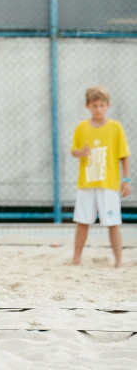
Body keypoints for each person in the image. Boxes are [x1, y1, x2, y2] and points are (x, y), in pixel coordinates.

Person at [71, 85, 131, 268]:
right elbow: (74, 151)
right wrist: (81, 153)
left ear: (107, 105)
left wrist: (126, 180)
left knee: (113, 223)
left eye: (101, 105)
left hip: (108, 184)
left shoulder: (115, 127)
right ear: (87, 106)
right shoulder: (82, 127)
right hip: (86, 184)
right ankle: (76, 259)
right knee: (82, 222)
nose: (98, 109)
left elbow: (124, 155)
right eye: (94, 105)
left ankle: (118, 261)